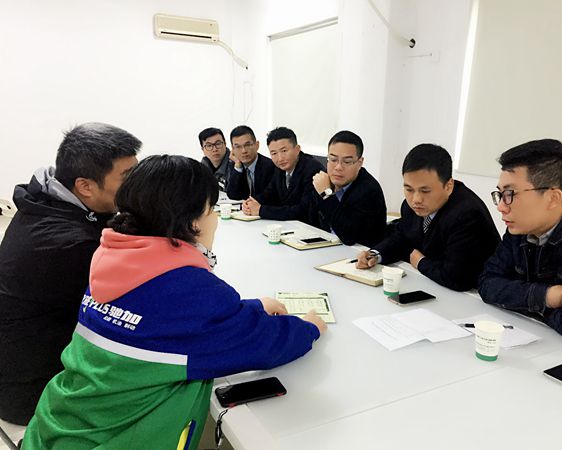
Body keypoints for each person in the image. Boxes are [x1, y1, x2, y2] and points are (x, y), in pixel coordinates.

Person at [21, 155, 326, 450]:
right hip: (116, 440)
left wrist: (255, 307)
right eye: (211, 209)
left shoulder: (114, 261)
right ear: (192, 222)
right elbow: (264, 343)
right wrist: (308, 327)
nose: (215, 218)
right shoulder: (190, 289)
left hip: (57, 426)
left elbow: (179, 323)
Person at [0, 122, 140, 426]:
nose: (138, 184)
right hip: (34, 391)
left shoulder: (47, 202)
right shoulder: (68, 244)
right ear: (85, 186)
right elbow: (143, 298)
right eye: (129, 177)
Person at [479, 139, 562, 344]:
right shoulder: (521, 225)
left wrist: (521, 299)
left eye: (510, 194)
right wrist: (548, 297)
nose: (501, 207)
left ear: (553, 198)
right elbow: (487, 284)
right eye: (500, 194)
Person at [356, 143, 499, 291]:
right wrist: (375, 254)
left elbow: (457, 277)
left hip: (472, 296)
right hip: (433, 285)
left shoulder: (467, 214)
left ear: (448, 186)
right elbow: (402, 237)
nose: (416, 199)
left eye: (425, 191)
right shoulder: (410, 206)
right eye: (409, 189)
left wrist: (420, 262)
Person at [310, 130, 387, 246]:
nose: (338, 167)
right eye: (333, 160)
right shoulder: (324, 179)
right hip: (327, 246)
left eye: (347, 162)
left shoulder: (369, 191)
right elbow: (311, 220)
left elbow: (348, 237)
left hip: (359, 252)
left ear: (360, 163)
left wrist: (326, 194)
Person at [242, 127, 324, 224]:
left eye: (284, 151)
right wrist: (251, 203)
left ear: (297, 149)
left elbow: (303, 211)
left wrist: (261, 210)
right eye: (274, 153)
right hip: (289, 225)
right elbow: (270, 193)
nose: (280, 158)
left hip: (310, 228)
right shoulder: (280, 168)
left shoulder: (312, 169)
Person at [226, 125, 276, 200]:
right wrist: (238, 168)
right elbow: (232, 195)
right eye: (238, 147)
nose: (244, 151)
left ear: (257, 145)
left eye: (247, 145)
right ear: (233, 149)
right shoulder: (235, 165)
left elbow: (270, 197)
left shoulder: (270, 166)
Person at [198, 127, 232, 191]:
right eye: (209, 145)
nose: (214, 149)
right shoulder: (200, 170)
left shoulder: (237, 166)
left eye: (218, 144)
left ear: (225, 144)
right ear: (202, 149)